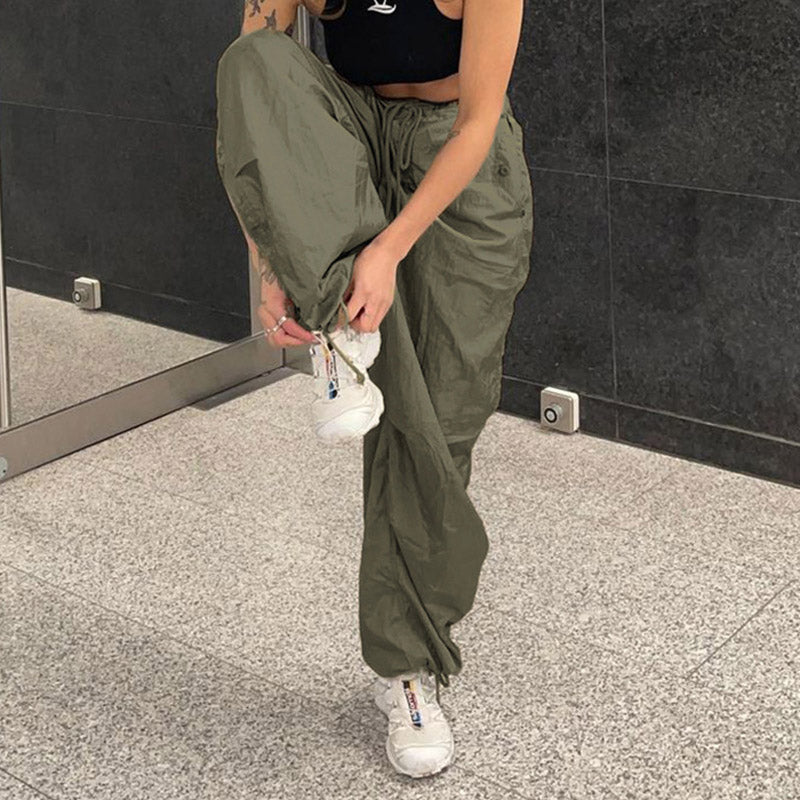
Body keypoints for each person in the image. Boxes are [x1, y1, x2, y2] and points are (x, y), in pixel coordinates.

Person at [214, 0, 532, 779]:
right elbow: (250, 114)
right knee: (250, 60)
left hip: (458, 166)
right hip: (354, 142)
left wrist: (387, 250)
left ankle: (410, 666)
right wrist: (272, 263)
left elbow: (477, 122)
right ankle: (338, 326)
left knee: (437, 426)